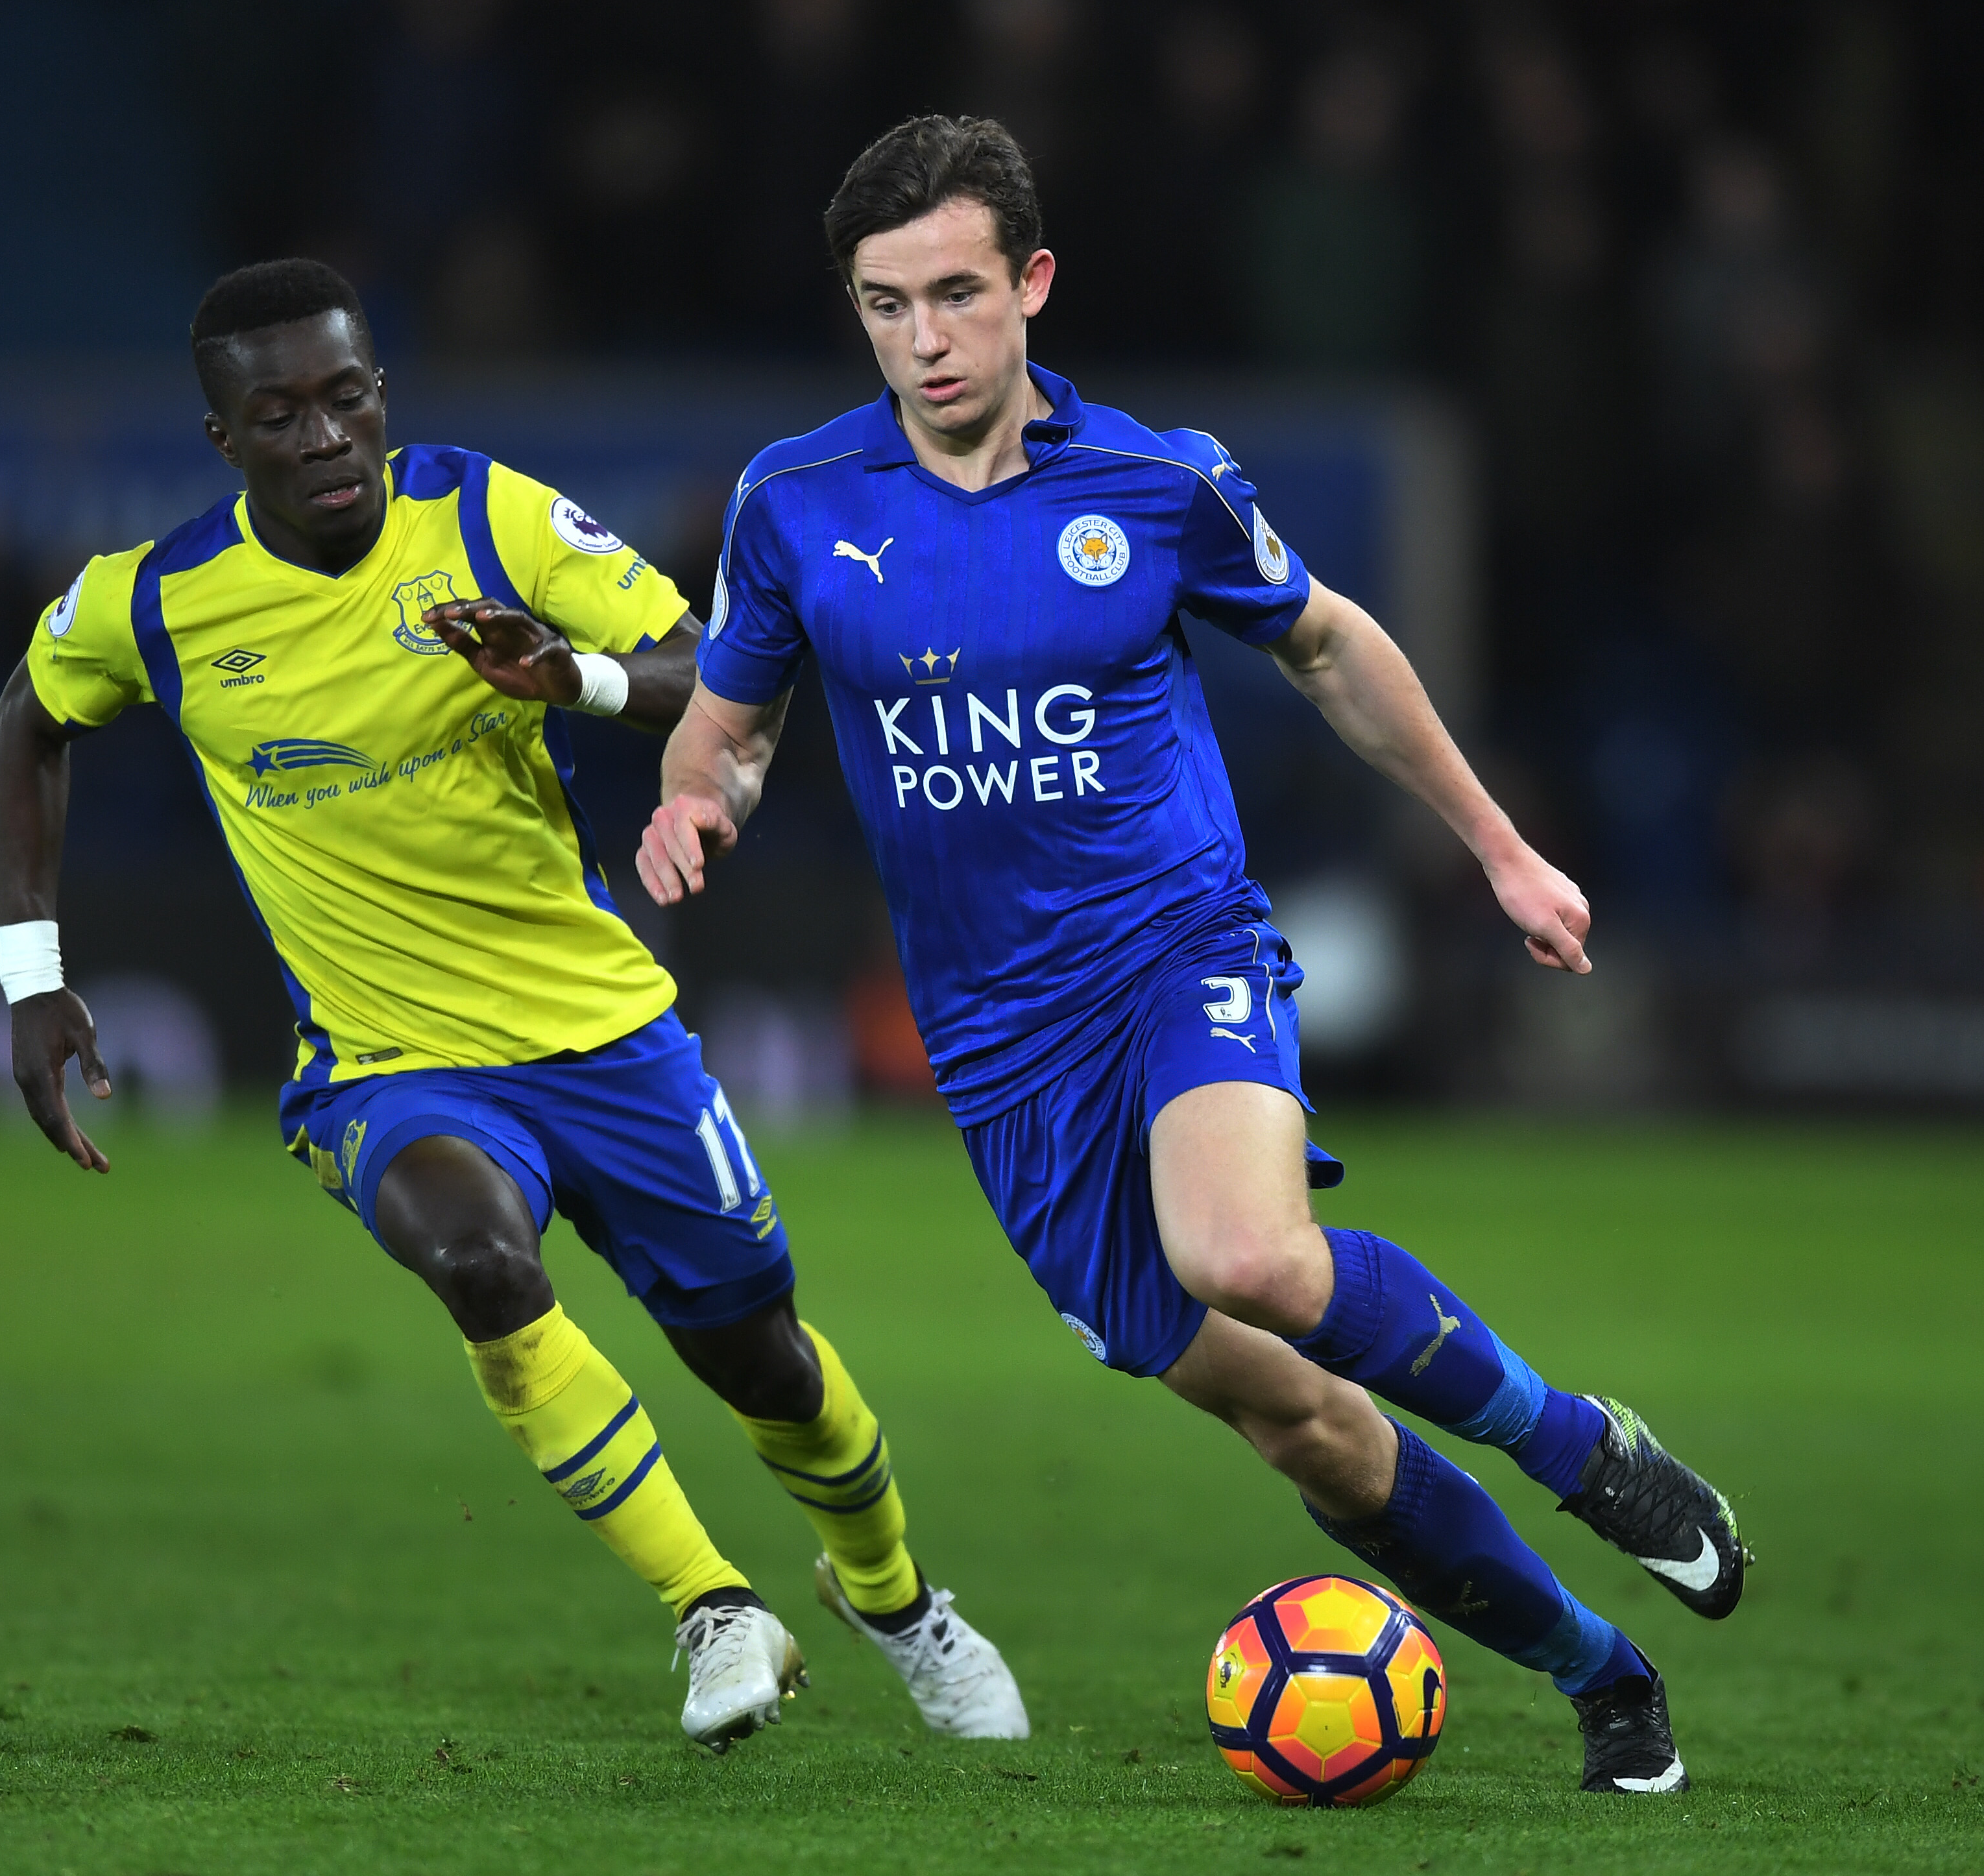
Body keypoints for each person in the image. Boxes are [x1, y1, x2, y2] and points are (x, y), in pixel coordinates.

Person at [631, 117, 1749, 1794]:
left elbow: (1329, 647)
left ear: (1032, 284)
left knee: (1247, 1251)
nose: (922, 340)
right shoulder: (795, 504)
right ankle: (1602, 1677)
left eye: (952, 295)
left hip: (1175, 947)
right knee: (1300, 1417)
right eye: (883, 306)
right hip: (1002, 1053)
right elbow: (728, 727)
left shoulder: (1154, 484)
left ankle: (1587, 1451)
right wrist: (690, 805)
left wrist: (1500, 848)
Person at [0, 258, 1026, 1751]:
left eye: (349, 398)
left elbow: (720, 668)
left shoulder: (488, 516)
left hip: (603, 1034)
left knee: (766, 1359)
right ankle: (713, 1606)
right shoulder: (159, 601)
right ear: (225, 440)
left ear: (382, 393)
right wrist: (33, 973)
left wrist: (573, 676)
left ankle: (894, 1593)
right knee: (475, 1257)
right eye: (280, 416)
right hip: (389, 1064)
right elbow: (30, 714)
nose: (327, 436)